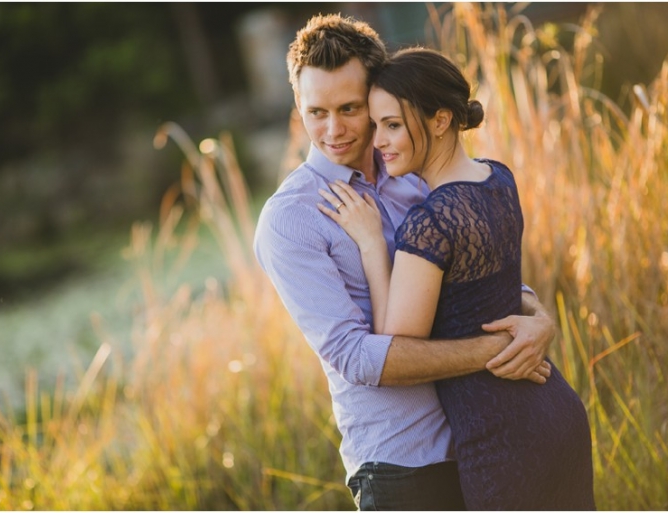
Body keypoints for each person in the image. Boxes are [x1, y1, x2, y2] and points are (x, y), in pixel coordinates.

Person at [254, 14, 556, 511]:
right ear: (297, 106)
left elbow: (469, 278)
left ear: (377, 95)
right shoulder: (291, 221)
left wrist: (536, 316)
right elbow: (356, 357)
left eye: (351, 109)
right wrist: (498, 349)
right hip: (403, 465)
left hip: (488, 433)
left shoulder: (416, 173)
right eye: (316, 112)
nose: (333, 130)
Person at [317, 47, 595, 510]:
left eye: (392, 125)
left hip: (503, 434)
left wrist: (371, 244)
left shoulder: (432, 221)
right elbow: (490, 290)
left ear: (441, 120)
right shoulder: (499, 179)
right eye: (376, 124)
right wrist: (541, 318)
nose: (378, 142)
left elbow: (396, 340)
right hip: (556, 410)